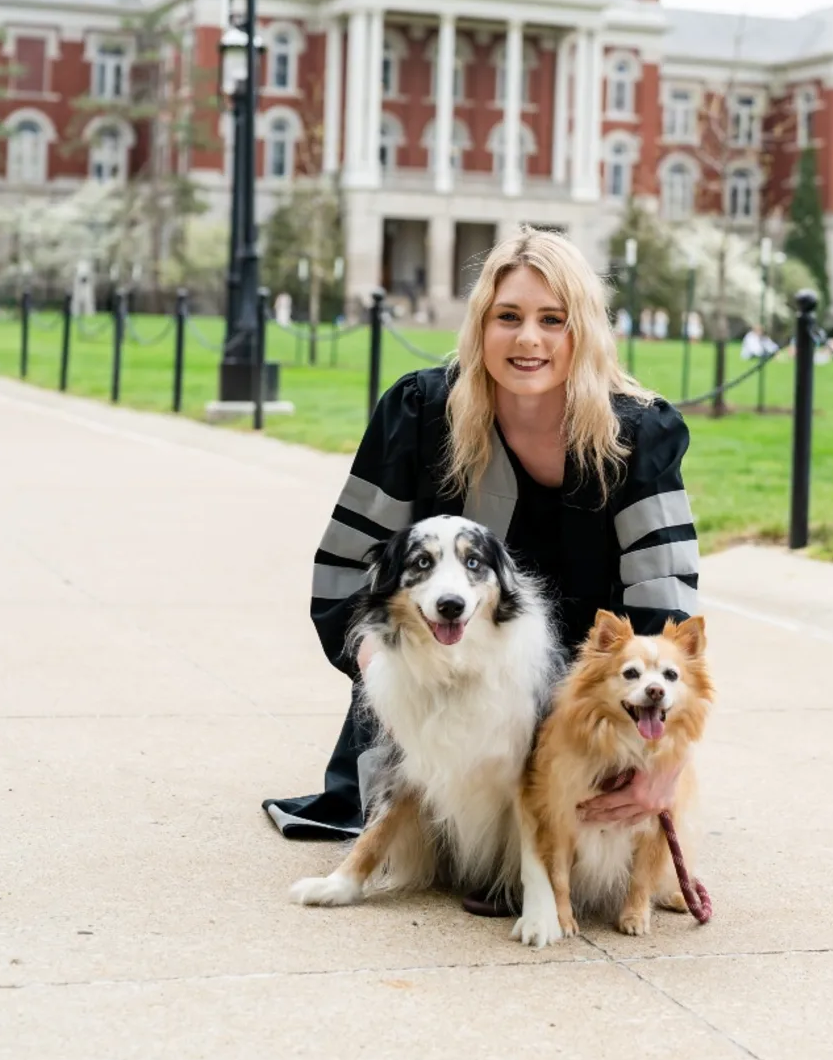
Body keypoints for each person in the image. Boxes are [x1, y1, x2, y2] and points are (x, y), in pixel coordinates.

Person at [263, 228, 700, 906]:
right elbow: (347, 567)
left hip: (571, 715)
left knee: (582, 849)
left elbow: (664, 612)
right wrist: (379, 662)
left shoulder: (637, 438)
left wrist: (663, 752)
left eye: (552, 320)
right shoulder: (419, 414)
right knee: (431, 828)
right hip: (436, 688)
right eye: (509, 317)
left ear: (582, 328)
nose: (530, 340)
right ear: (480, 324)